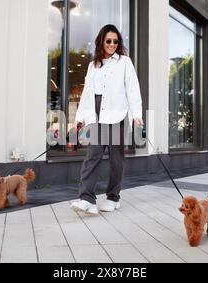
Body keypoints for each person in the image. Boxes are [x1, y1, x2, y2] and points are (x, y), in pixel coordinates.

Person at [70, 24, 143, 215]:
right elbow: (87, 92)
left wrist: (137, 114)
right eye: (108, 40)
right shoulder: (92, 65)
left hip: (117, 114)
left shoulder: (124, 62)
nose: (112, 44)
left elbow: (132, 88)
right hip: (95, 113)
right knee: (92, 156)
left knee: (116, 159)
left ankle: (113, 197)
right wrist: (80, 117)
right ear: (102, 41)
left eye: (115, 41)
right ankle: (87, 199)